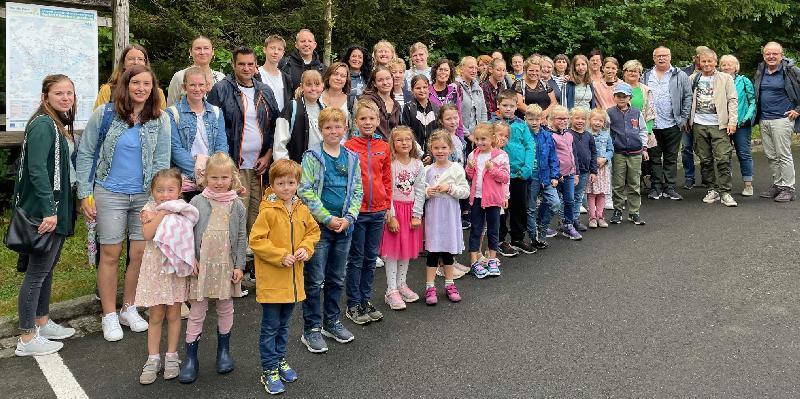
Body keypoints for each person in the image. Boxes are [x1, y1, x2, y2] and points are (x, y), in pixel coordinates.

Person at [77, 64, 172, 342]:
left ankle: (128, 308)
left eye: (147, 84)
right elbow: (85, 153)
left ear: (153, 88)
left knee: (139, 254)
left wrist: (158, 200)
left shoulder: (160, 119)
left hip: (143, 195)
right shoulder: (106, 114)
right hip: (109, 192)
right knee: (110, 253)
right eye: (136, 83)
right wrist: (85, 192)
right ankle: (108, 314)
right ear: (125, 85)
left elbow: (161, 161)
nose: (141, 88)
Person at [13, 74, 77, 357]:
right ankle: (27, 337)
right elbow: (37, 170)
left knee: (47, 268)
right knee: (37, 272)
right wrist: (49, 211)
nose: (65, 98)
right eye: (59, 94)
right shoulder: (43, 125)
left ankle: (41, 321)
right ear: (45, 97)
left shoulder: (56, 123)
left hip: (57, 207)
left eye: (69, 93)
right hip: (45, 210)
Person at [250, 159, 320, 395]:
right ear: (273, 184)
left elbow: (313, 231)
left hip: (293, 283)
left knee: (284, 325)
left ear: (297, 184)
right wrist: (280, 255)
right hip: (272, 283)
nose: (286, 188)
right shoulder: (267, 211)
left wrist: (306, 248)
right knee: (270, 327)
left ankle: (279, 360)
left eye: (291, 183)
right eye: (281, 183)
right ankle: (268, 368)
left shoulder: (301, 208)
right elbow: (256, 241)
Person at [298, 107, 363, 353]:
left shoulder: (351, 157)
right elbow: (305, 190)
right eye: (328, 127)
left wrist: (349, 217)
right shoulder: (313, 157)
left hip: (344, 227)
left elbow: (357, 189)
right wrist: (327, 218)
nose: (333, 131)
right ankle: (311, 329)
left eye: (338, 126)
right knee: (315, 280)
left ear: (345, 128)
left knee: (337, 277)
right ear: (321, 130)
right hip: (320, 228)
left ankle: (331, 322)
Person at [180, 153, 247, 383]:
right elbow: (187, 234)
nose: (219, 182)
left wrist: (239, 265)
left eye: (224, 177)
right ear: (205, 177)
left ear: (232, 178)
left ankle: (223, 352)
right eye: (214, 177)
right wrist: (191, 260)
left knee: (225, 308)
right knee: (197, 311)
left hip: (226, 267)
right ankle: (190, 358)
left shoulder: (237, 205)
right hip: (202, 266)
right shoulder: (197, 202)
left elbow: (240, 237)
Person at [207, 46, 279, 235]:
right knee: (236, 215)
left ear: (256, 66)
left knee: (258, 215)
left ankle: (253, 261)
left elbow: (274, 127)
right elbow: (211, 127)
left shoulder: (265, 91)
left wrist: (268, 155)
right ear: (233, 65)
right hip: (234, 165)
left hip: (260, 167)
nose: (246, 68)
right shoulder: (221, 89)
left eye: (250, 64)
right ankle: (235, 261)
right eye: (241, 64)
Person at [135, 168, 196, 385]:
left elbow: (190, 235)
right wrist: (161, 213)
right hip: (155, 271)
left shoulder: (184, 210)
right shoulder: (149, 209)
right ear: (152, 192)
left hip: (175, 271)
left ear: (179, 191)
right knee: (156, 316)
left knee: (174, 314)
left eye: (170, 190)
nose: (165, 194)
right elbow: (147, 234)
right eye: (159, 190)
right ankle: (153, 358)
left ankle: (171, 355)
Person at [343, 99, 392, 324]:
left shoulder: (383, 147)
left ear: (378, 120)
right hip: (358, 211)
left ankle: (365, 299)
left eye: (371, 118)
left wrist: (387, 205)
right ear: (356, 121)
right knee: (356, 258)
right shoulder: (349, 147)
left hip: (378, 210)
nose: (368, 122)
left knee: (371, 258)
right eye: (363, 118)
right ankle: (353, 303)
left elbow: (386, 179)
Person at [422, 130, 470, 305]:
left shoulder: (456, 168)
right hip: (434, 216)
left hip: (449, 216)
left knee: (448, 250)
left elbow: (465, 192)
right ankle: (430, 286)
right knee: (433, 251)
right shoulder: (426, 170)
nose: (440, 151)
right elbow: (421, 192)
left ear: (450, 148)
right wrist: (428, 192)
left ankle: (450, 284)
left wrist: (450, 188)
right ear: (431, 149)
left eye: (443, 147)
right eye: (436, 148)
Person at [381, 127, 426, 310]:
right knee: (392, 251)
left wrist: (417, 214)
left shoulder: (417, 164)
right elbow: (387, 191)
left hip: (410, 211)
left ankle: (402, 284)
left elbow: (420, 190)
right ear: (393, 143)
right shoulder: (390, 163)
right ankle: (391, 290)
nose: (404, 143)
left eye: (408, 139)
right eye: (399, 140)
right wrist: (390, 216)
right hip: (394, 211)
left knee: (405, 249)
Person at [167, 67, 228, 201]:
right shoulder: (172, 113)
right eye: (192, 85)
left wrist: (214, 172)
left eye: (201, 85)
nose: (197, 89)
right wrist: (201, 174)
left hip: (213, 182)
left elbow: (221, 145)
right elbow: (175, 149)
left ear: (207, 86)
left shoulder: (216, 112)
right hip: (185, 181)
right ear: (184, 86)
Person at [687, 49, 739, 207]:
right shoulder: (693, 78)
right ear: (699, 62)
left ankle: (725, 192)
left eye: (710, 61)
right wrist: (686, 120)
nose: (707, 64)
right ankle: (712, 189)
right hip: (699, 124)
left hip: (719, 124)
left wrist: (732, 122)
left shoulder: (725, 78)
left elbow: (732, 100)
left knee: (723, 158)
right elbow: (687, 100)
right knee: (705, 160)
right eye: (704, 61)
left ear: (715, 62)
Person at [643, 46, 691, 199]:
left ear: (670, 57)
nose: (661, 58)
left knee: (671, 157)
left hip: (673, 123)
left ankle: (670, 187)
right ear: (653, 58)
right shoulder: (646, 75)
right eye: (658, 56)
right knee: (655, 158)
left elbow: (687, 97)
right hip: (652, 124)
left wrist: (683, 118)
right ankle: (656, 187)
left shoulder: (680, 75)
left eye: (664, 55)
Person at [753, 41, 800, 202]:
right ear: (763, 55)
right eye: (768, 54)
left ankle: (789, 188)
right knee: (771, 155)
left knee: (783, 154)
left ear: (781, 55)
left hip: (782, 119)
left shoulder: (791, 71)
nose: (771, 56)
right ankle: (778, 185)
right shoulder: (761, 70)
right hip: (764, 119)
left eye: (775, 53)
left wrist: (798, 110)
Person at [465, 123, 510, 278]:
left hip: (493, 199)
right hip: (476, 198)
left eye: (483, 139)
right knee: (476, 229)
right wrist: (470, 168)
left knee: (493, 229)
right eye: (477, 139)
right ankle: (474, 262)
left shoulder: (500, 155)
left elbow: (505, 177)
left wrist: (492, 169)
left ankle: (492, 258)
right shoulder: (473, 155)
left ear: (492, 138)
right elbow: (470, 176)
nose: (479, 142)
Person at [494, 89, 535, 255]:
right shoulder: (492, 125)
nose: (508, 109)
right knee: (502, 209)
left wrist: (526, 169)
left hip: (519, 174)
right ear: (498, 105)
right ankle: (500, 240)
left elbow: (530, 146)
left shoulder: (522, 125)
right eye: (504, 105)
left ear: (516, 106)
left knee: (520, 207)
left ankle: (518, 238)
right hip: (500, 176)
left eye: (512, 106)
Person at [607, 83, 649, 225]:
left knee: (634, 182)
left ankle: (634, 212)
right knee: (618, 183)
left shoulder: (636, 112)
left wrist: (644, 147)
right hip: (618, 152)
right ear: (614, 97)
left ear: (629, 97)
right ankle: (617, 209)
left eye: (624, 96)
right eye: (619, 96)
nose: (621, 99)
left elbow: (642, 130)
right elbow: (607, 132)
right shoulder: (610, 113)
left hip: (635, 152)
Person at [720, 54, 757, 196]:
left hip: (741, 124)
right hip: (723, 125)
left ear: (736, 67)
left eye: (730, 64)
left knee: (744, 154)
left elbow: (752, 101)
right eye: (724, 64)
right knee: (724, 155)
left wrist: (746, 118)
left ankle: (748, 185)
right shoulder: (718, 81)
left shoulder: (744, 81)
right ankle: (726, 185)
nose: (727, 67)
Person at [524, 104, 561, 249]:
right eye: (531, 119)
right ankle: (534, 238)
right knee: (530, 208)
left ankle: (542, 229)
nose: (534, 122)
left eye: (537, 119)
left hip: (546, 177)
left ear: (542, 119)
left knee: (555, 203)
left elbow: (553, 157)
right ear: (525, 118)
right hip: (530, 177)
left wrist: (555, 175)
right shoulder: (524, 134)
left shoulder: (547, 136)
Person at [273, 70, 325, 163]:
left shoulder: (324, 109)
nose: (313, 88)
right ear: (301, 87)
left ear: (323, 86)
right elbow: (279, 143)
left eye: (317, 84)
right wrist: (285, 169)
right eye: (309, 85)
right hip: (297, 167)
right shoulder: (292, 107)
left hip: (320, 165)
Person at [546, 105, 582, 240]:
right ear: (552, 119)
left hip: (570, 174)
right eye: (560, 118)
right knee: (551, 202)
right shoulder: (549, 136)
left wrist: (576, 172)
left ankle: (568, 225)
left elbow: (574, 154)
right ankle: (543, 225)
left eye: (566, 118)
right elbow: (550, 157)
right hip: (556, 176)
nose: (563, 121)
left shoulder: (569, 134)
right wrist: (555, 174)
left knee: (569, 200)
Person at [94, 44, 166, 110]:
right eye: (131, 59)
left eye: (140, 59)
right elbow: (98, 119)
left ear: (145, 63)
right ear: (123, 64)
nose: (136, 62)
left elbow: (163, 120)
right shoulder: (107, 90)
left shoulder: (157, 93)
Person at [167, 36, 226, 107]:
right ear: (190, 52)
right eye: (198, 48)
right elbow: (171, 107)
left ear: (212, 52)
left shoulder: (221, 77)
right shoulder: (180, 76)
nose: (202, 52)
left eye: (206, 48)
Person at [569, 107, 598, 232]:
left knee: (578, 197)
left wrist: (594, 171)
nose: (580, 121)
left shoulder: (589, 136)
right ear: (571, 119)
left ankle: (575, 220)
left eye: (583, 118)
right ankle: (566, 221)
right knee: (568, 197)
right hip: (571, 172)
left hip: (585, 171)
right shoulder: (568, 134)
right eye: (577, 118)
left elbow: (593, 153)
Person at [586, 108, 613, 228]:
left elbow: (610, 149)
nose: (597, 123)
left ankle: (600, 216)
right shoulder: (586, 134)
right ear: (590, 120)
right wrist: (592, 160)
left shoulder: (606, 135)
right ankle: (592, 217)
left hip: (603, 169)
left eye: (600, 121)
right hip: (591, 169)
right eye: (595, 120)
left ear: (604, 122)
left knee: (601, 193)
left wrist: (605, 158)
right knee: (591, 193)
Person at [402, 75, 439, 161]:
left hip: (433, 155)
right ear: (412, 90)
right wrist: (421, 154)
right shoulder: (408, 108)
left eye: (425, 87)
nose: (422, 90)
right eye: (418, 88)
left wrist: (431, 154)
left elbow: (438, 133)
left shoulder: (436, 108)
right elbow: (407, 133)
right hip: (414, 154)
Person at [279, 29, 326, 94]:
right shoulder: (284, 64)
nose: (306, 44)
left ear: (314, 45)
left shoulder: (322, 69)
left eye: (309, 41)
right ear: (296, 45)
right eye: (303, 41)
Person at [360, 65, 400, 140]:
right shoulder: (368, 101)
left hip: (391, 148)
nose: (385, 83)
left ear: (392, 80)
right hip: (372, 146)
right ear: (374, 83)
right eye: (380, 80)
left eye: (388, 79)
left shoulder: (396, 105)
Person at [429, 58, 464, 137]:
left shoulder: (454, 91)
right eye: (440, 69)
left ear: (450, 73)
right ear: (435, 71)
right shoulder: (427, 91)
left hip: (451, 136)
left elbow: (459, 115)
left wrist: (461, 137)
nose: (443, 72)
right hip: (433, 135)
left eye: (446, 70)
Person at [258, 35, 293, 113]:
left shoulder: (286, 78)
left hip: (281, 122)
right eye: (272, 48)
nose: (276, 52)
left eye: (279, 49)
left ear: (283, 53)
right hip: (262, 121)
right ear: (264, 50)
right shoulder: (256, 75)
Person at [514, 56, 557, 120]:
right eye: (531, 70)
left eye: (537, 71)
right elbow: (519, 104)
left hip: (545, 121)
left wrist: (545, 113)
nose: (534, 73)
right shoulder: (519, 84)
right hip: (526, 121)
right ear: (525, 70)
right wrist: (538, 115)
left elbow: (554, 102)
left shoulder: (545, 83)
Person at [457, 56, 488, 141]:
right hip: (461, 137)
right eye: (471, 67)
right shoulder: (455, 87)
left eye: (476, 68)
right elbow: (454, 116)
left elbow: (483, 112)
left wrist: (483, 132)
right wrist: (468, 135)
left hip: (478, 137)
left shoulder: (478, 88)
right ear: (461, 69)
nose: (474, 71)